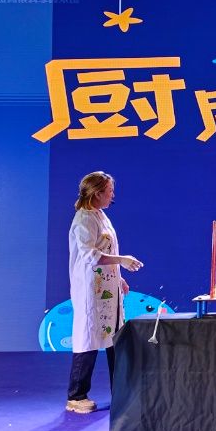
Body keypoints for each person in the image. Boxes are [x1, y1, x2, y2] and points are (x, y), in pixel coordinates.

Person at [66, 171, 142, 414]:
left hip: (107, 286)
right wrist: (122, 260)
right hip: (91, 288)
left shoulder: (100, 215)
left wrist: (118, 278)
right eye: (109, 191)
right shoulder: (84, 219)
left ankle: (120, 391)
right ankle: (76, 395)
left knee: (114, 338)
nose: (112, 195)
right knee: (88, 337)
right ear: (97, 193)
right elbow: (90, 255)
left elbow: (106, 248)